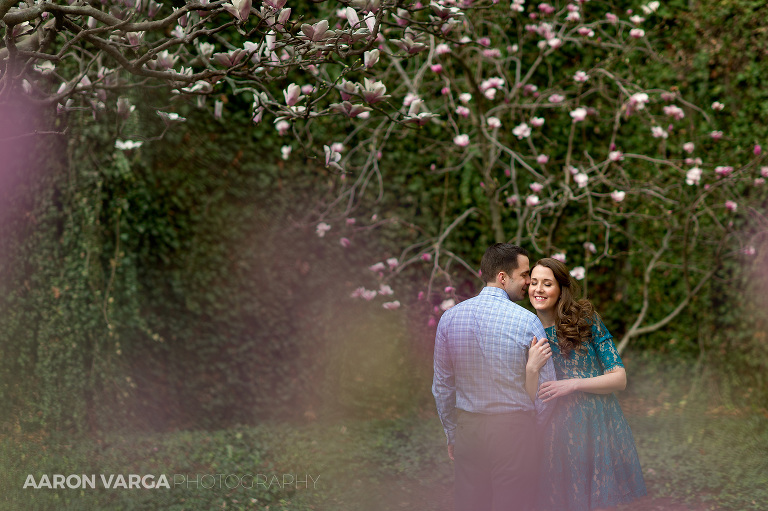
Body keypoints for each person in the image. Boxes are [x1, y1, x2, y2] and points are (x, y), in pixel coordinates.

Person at [432, 243, 556, 511]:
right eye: (524, 275)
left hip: (469, 430)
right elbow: (547, 389)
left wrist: (452, 433)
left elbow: (442, 386)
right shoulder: (528, 322)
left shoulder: (449, 319)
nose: (529, 282)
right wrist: (533, 430)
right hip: (515, 430)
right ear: (503, 277)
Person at [528, 257, 647, 511]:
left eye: (547, 283)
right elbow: (528, 394)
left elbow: (619, 378)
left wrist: (572, 384)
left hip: (596, 422)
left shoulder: (585, 318)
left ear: (561, 289)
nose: (538, 289)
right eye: (534, 282)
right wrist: (530, 368)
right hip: (554, 431)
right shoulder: (527, 329)